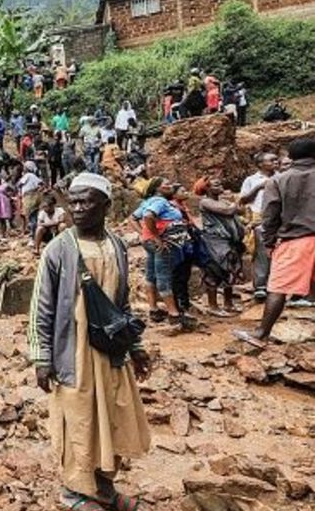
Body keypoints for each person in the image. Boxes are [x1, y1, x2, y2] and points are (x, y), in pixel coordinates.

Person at [29, 172, 151, 511]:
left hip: (111, 351)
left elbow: (121, 303)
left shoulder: (116, 245)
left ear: (106, 206)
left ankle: (105, 490)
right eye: (74, 201)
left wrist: (136, 347)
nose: (78, 208)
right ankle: (73, 492)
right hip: (74, 354)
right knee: (78, 421)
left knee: (111, 419)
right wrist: (42, 358)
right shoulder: (58, 249)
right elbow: (42, 307)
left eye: (87, 202)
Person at [245, 139, 315, 342]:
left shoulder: (278, 181)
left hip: (294, 241)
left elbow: (270, 215)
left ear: (291, 158)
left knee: (278, 289)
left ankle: (261, 333)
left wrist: (268, 242)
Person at [132, 177, 189, 327]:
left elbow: (133, 218)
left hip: (149, 243)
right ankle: (174, 315)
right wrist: (157, 237)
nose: (171, 186)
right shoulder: (160, 202)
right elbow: (149, 216)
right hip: (162, 244)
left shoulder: (148, 201)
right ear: (158, 189)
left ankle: (154, 309)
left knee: (151, 275)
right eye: (167, 185)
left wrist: (144, 234)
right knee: (164, 276)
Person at [195, 177, 246, 317]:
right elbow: (229, 211)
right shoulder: (205, 202)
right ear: (207, 189)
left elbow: (240, 211)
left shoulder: (223, 201)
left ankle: (228, 304)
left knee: (231, 269)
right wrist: (237, 202)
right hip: (215, 241)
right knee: (214, 270)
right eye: (216, 184)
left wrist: (235, 205)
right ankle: (213, 306)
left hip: (229, 241)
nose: (220, 185)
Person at [239, 153, 279, 301]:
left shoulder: (281, 176)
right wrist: (259, 187)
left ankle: (277, 284)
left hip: (280, 218)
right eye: (272, 160)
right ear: (260, 164)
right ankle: (261, 286)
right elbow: (242, 200)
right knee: (261, 252)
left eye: (276, 159)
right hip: (260, 219)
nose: (276, 162)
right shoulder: (251, 180)